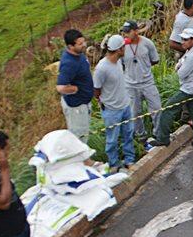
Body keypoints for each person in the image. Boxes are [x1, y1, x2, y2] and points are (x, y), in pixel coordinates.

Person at [150, 29, 193, 149]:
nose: (183, 42)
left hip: (187, 89)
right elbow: (182, 61)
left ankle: (163, 138)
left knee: (168, 110)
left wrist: (178, 67)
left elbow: (181, 73)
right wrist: (180, 64)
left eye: (186, 40)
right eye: (182, 39)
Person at [93, 34, 135, 172]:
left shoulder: (118, 62)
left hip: (125, 105)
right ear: (119, 49)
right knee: (112, 140)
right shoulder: (102, 68)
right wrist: (103, 101)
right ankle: (114, 164)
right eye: (124, 46)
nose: (126, 49)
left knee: (128, 134)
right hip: (111, 110)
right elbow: (96, 89)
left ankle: (129, 160)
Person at [121, 20, 161, 139]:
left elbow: (155, 59)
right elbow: (120, 65)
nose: (126, 35)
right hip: (130, 85)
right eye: (124, 32)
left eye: (128, 32)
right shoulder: (122, 47)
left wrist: (144, 68)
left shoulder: (147, 43)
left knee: (157, 109)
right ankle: (141, 136)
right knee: (135, 113)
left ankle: (158, 134)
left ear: (136, 31)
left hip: (147, 82)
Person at [56, 29, 94, 142]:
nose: (84, 45)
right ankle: (80, 159)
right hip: (76, 108)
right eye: (80, 44)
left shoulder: (79, 55)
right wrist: (75, 89)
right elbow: (61, 87)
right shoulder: (69, 63)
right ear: (70, 46)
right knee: (79, 138)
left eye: (84, 42)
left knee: (85, 135)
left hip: (84, 103)